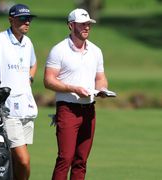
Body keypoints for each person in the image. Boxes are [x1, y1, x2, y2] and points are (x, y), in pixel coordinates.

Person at [44, 8, 109, 180]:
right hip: (67, 109)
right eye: (82, 24)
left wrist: (101, 89)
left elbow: (100, 78)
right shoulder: (59, 50)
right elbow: (49, 80)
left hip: (89, 109)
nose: (87, 27)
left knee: (81, 160)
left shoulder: (96, 51)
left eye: (88, 24)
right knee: (65, 158)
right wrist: (74, 89)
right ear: (71, 25)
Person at [0, 4, 38, 180]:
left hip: (26, 108)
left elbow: (33, 64)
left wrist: (30, 79)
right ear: (11, 20)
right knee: (24, 160)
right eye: (22, 19)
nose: (27, 22)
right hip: (7, 108)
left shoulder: (28, 43)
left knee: (15, 160)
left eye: (29, 19)